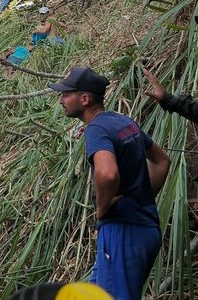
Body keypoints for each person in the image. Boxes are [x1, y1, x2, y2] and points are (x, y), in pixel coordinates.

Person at [49, 66, 170, 300]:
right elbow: (162, 160)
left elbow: (107, 174)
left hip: (122, 232)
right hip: (146, 228)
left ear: (84, 99)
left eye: (66, 94)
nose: (61, 100)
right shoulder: (122, 121)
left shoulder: (96, 129)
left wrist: (102, 208)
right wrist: (141, 198)